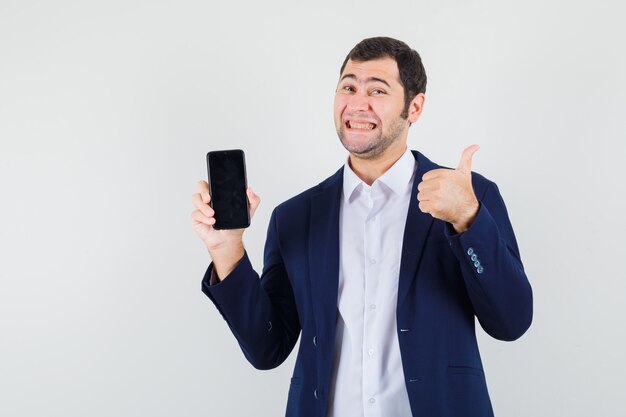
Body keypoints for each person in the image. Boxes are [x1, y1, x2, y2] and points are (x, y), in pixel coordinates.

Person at [191, 37, 533, 417]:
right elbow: (267, 348)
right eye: (349, 87)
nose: (357, 103)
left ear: (414, 107)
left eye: (377, 90)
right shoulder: (295, 217)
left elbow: (511, 322)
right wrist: (226, 250)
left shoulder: (470, 196)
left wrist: (467, 219)